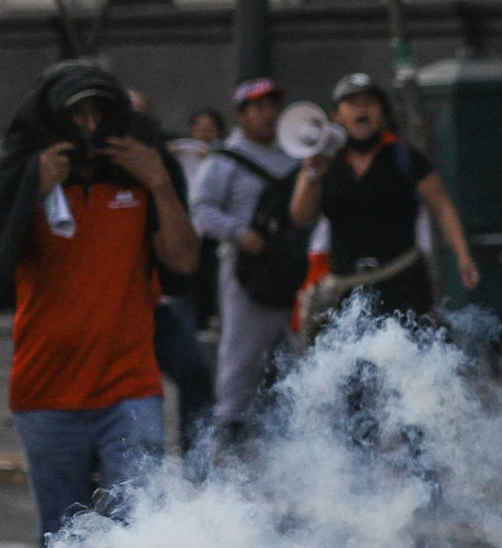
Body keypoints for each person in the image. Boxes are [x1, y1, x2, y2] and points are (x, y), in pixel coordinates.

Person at [0, 60, 199, 548]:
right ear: (56, 118)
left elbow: (183, 262)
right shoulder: (25, 172)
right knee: (63, 531)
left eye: (102, 113)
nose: (92, 126)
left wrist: (159, 186)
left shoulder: (145, 171)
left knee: (139, 521)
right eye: (79, 114)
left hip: (129, 386)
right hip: (45, 391)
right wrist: (29, 188)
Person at [289, 73, 479, 324]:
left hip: (402, 282)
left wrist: (463, 255)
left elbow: (441, 205)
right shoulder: (325, 160)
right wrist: (311, 173)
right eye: (353, 103)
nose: (362, 109)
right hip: (347, 288)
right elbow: (300, 217)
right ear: (337, 115)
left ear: (382, 112)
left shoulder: (404, 156)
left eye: (369, 102)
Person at [192, 78, 296, 443]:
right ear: (242, 115)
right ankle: (230, 427)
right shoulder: (224, 161)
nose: (269, 115)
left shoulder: (293, 153)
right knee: (241, 353)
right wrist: (239, 233)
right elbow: (202, 210)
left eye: (273, 106)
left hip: (292, 268)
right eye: (259, 108)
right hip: (247, 271)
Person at [128, 89, 214, 457]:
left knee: (194, 373)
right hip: (115, 309)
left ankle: (195, 462)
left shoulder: (162, 162)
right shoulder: (94, 170)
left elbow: (181, 241)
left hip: (159, 299)